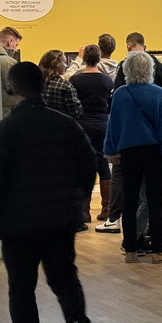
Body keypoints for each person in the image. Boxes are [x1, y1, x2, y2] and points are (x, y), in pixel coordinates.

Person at [0, 62, 99, 323]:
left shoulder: (4, 130)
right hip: (59, 219)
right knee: (64, 277)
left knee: (21, 285)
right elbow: (88, 165)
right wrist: (80, 200)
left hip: (17, 224)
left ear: (12, 88)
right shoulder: (66, 125)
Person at [103, 51, 162, 264]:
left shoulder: (120, 94)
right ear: (150, 69)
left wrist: (111, 151)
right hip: (153, 152)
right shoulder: (158, 93)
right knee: (155, 201)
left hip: (128, 152)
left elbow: (113, 125)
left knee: (130, 200)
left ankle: (130, 250)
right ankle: (157, 251)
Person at [70, 44, 114, 223]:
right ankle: (107, 208)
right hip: (103, 123)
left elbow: (73, 103)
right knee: (104, 165)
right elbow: (110, 105)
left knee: (84, 167)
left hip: (83, 124)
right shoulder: (107, 80)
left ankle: (85, 211)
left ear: (85, 58)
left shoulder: (76, 80)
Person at [112, 32, 162, 100]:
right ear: (145, 47)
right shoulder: (160, 66)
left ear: (128, 46)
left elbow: (117, 93)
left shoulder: (124, 66)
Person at [38, 50, 83, 121]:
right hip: (62, 127)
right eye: (65, 62)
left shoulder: (37, 84)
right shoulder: (65, 86)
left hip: (41, 126)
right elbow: (76, 113)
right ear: (57, 64)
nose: (66, 65)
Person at [0, 27, 22, 117]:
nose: (16, 49)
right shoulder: (9, 62)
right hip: (8, 113)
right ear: (10, 41)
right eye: (16, 45)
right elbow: (16, 90)